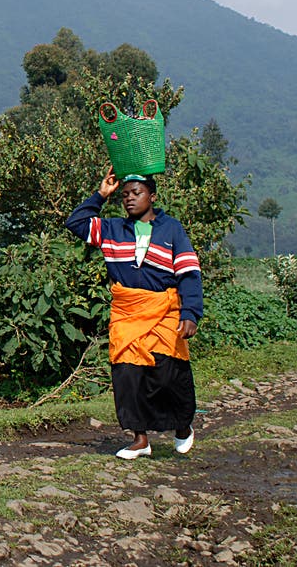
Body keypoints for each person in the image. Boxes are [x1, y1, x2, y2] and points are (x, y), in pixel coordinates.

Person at [65, 167, 201, 459]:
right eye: (125, 194)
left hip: (164, 311)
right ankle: (140, 439)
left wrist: (190, 313)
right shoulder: (112, 229)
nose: (129, 199)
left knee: (168, 374)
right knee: (127, 375)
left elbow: (189, 272)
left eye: (136, 193)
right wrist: (101, 194)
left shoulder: (171, 229)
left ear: (152, 196)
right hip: (127, 313)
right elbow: (75, 222)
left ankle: (182, 425)